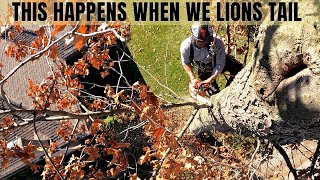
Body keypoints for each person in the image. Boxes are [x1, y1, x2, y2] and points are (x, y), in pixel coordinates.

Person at [180, 21, 226, 95]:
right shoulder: (186, 46)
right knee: (213, 93)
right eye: (200, 42)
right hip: (204, 69)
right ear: (193, 37)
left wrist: (211, 79)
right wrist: (193, 78)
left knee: (238, 68)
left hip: (218, 60)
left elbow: (220, 63)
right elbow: (186, 62)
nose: (203, 44)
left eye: (206, 41)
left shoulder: (217, 42)